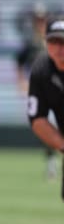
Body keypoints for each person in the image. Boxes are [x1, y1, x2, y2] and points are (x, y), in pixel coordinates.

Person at [15, 3, 58, 180]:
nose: (40, 23)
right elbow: (19, 63)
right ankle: (51, 165)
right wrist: (21, 82)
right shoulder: (31, 46)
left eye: (42, 19)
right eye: (37, 20)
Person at [27, 15, 64, 201]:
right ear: (46, 42)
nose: (60, 48)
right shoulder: (42, 69)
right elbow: (37, 118)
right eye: (54, 41)